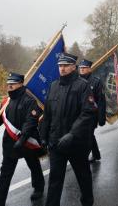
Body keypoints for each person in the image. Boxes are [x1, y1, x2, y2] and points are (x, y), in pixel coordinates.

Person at [40, 52, 96, 206]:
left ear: (73, 67)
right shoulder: (53, 86)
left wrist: (72, 134)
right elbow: (48, 114)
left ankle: (87, 201)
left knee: (83, 176)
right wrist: (43, 136)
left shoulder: (82, 86)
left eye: (65, 66)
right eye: (60, 66)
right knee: (55, 180)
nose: (62, 69)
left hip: (76, 143)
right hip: (56, 142)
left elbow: (87, 113)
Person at [0, 72, 45, 206]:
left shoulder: (29, 100)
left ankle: (39, 187)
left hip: (27, 142)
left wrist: (23, 138)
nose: (10, 86)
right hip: (9, 143)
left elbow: (30, 121)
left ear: (20, 83)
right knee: (6, 172)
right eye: (8, 84)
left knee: (34, 166)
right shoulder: (6, 102)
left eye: (12, 84)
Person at [78, 59, 106, 163]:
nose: (81, 70)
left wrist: (101, 117)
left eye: (84, 68)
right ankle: (96, 154)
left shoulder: (96, 81)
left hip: (92, 114)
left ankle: (85, 156)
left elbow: (101, 101)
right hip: (80, 114)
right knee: (87, 135)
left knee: (88, 134)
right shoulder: (76, 80)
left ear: (89, 68)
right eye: (80, 68)